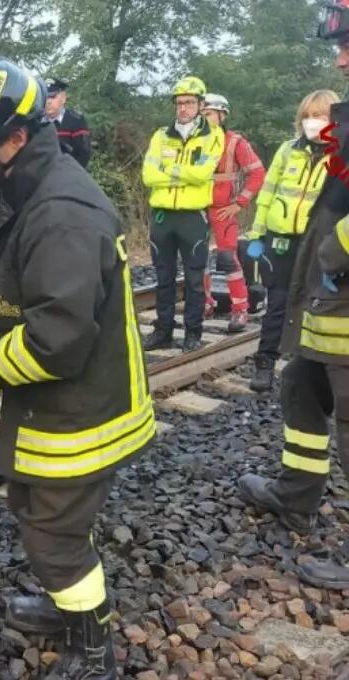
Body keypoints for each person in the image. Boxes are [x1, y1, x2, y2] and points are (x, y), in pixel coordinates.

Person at [0, 55, 153, 680]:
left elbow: (56, 340)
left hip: (82, 411)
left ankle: (93, 646)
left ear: (16, 138)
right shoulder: (32, 188)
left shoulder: (61, 210)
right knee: (37, 510)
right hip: (63, 403)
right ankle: (69, 604)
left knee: (53, 534)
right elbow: (46, 283)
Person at [237, 1, 349, 590]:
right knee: (300, 386)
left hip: (341, 290)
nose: (340, 58)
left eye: (347, 45)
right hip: (325, 299)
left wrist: (333, 254)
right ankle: (296, 494)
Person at [244, 90, 339, 392]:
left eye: (320, 116)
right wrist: (257, 234)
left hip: (318, 244)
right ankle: (265, 364)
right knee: (278, 303)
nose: (312, 122)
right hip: (281, 239)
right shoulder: (288, 150)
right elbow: (268, 193)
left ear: (333, 119)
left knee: (318, 306)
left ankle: (313, 368)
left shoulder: (340, 154)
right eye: (308, 116)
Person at [141, 76, 225, 353]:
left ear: (201, 105)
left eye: (189, 102)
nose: (183, 108)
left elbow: (202, 175)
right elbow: (148, 176)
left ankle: (193, 333)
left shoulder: (213, 135)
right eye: (179, 103)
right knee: (163, 277)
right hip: (163, 215)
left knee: (193, 280)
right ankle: (163, 331)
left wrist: (168, 172)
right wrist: (182, 175)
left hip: (193, 217)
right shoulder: (161, 135)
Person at [198, 94, 266, 333]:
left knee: (227, 259)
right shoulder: (193, 141)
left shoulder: (235, 142)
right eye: (202, 114)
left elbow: (258, 174)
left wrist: (240, 203)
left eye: (208, 114)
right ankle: (205, 303)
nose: (204, 118)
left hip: (223, 210)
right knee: (198, 259)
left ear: (222, 115)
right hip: (196, 208)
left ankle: (240, 309)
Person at [44, 78, 92, 169]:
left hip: (67, 174)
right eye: (46, 97)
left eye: (53, 97)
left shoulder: (76, 121)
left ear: (63, 98)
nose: (48, 102)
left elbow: (83, 155)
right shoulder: (37, 120)